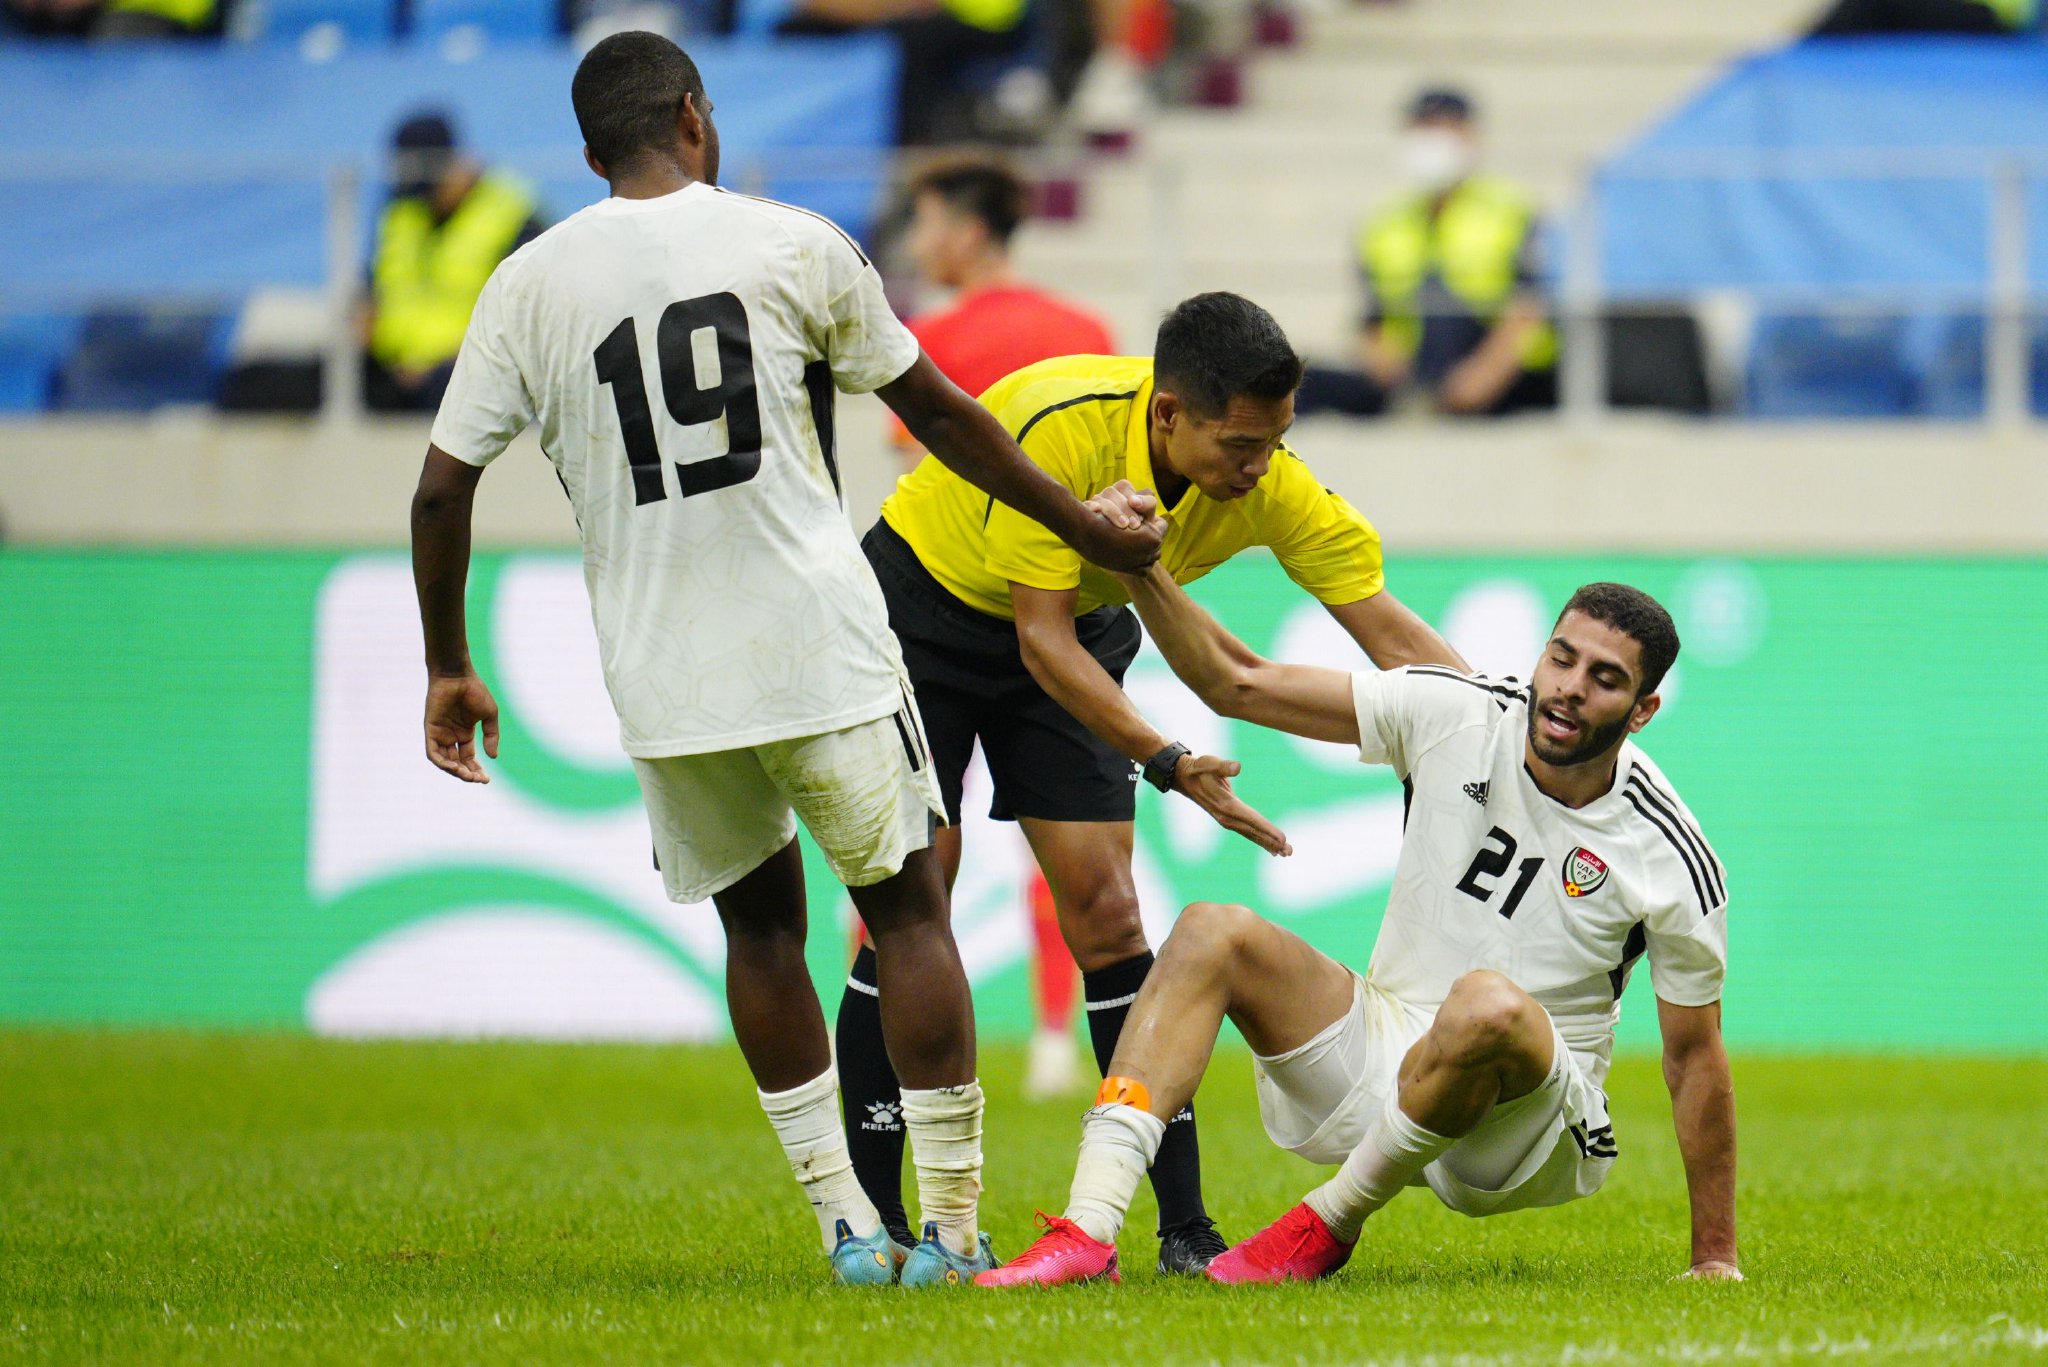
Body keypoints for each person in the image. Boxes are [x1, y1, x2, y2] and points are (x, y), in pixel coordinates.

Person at [407, 30, 1166, 1288]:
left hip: (662, 669)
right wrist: (1079, 520)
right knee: (905, 909)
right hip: (820, 639)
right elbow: (935, 413)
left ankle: (841, 1229)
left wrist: (446, 663)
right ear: (696, 118)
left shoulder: (525, 284)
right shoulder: (793, 242)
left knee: (758, 936)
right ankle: (955, 1228)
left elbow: (441, 493)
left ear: (591, 154)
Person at [837, 290, 1470, 1275]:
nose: (1257, 466)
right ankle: (875, 1223)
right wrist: (1166, 759)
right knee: (911, 903)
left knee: (1107, 915)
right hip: (922, 614)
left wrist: (1496, 726)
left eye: (1274, 440)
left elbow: (1383, 628)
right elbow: (1038, 645)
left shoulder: (1267, 480)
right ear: (1167, 415)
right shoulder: (1062, 427)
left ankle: (1181, 1228)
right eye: (1238, 444)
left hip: (1076, 624)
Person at [980, 570, 1739, 1287]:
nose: (1568, 689)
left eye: (1604, 679)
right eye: (1561, 658)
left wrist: (1715, 1257)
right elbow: (1234, 680)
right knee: (1212, 930)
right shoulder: (1461, 712)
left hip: (1529, 1124)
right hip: (1389, 1046)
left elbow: (1694, 1056)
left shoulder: (1667, 849)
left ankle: (1328, 1221)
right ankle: (1086, 1229)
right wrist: (1141, 568)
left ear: (1643, 711)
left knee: (1487, 1003)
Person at [894, 155, 1117, 1099]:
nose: (917, 241)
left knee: (909, 842)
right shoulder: (1082, 329)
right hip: (1064, 603)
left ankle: (900, 1046)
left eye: (928, 220)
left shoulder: (932, 335)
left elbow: (911, 458)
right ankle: (1058, 1043)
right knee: (1071, 845)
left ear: (968, 231)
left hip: (951, 602)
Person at [1297, 88, 1556, 420]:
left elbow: (1530, 306)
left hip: (1502, 371)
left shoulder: (1514, 210)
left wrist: (1481, 378)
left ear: (1471, 136)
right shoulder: (1382, 224)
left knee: (1445, 308)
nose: (1432, 142)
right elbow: (1371, 320)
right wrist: (1383, 364)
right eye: (1423, 129)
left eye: (1443, 128)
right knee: (1298, 382)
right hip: (1414, 373)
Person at [365, 112, 548, 413]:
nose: (424, 199)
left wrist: (447, 362)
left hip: (474, 373)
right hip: (394, 369)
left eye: (430, 187)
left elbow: (529, 318)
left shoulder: (512, 214)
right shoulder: (401, 209)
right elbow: (371, 295)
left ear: (458, 164)